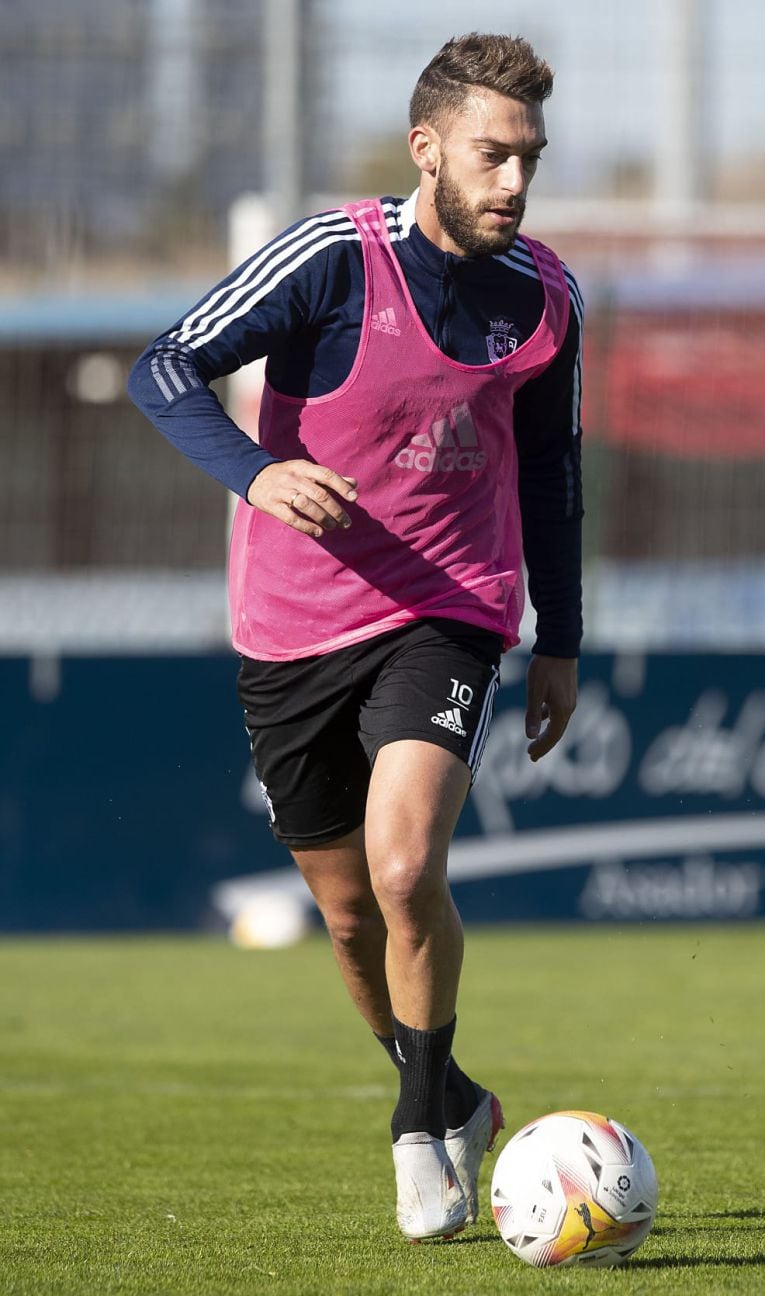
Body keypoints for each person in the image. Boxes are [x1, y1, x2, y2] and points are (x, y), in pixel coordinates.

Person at [128, 32, 583, 1242]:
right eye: (494, 155)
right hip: (291, 627)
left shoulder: (544, 293)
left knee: (401, 868)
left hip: (450, 609)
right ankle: (450, 1096)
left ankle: (413, 1134)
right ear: (427, 149)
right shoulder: (333, 257)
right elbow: (162, 364)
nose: (516, 182)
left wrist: (562, 639)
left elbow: (551, 473)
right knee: (344, 917)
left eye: (531, 156)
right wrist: (258, 471)